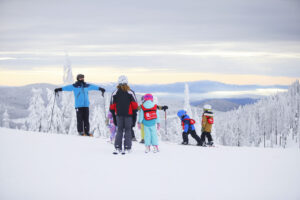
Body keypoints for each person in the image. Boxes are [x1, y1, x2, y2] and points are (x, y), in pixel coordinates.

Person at [110, 75, 138, 154]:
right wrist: (134, 114)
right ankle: (127, 147)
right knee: (128, 131)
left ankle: (118, 147)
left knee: (119, 130)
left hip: (118, 115)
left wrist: (113, 114)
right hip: (129, 115)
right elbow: (135, 105)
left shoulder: (115, 93)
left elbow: (112, 106)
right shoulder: (130, 92)